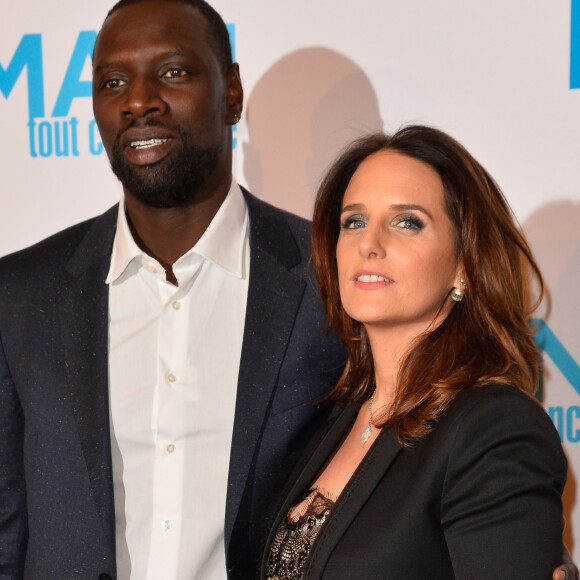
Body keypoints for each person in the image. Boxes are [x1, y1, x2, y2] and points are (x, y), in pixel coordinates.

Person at [0, 1, 346, 578]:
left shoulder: (329, 278)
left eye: (173, 72)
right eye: (114, 82)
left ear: (231, 93)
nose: (138, 100)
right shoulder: (20, 296)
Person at [262, 126, 573, 579]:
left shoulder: (494, 427)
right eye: (354, 221)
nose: (369, 243)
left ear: (462, 264)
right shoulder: (341, 415)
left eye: (407, 221)